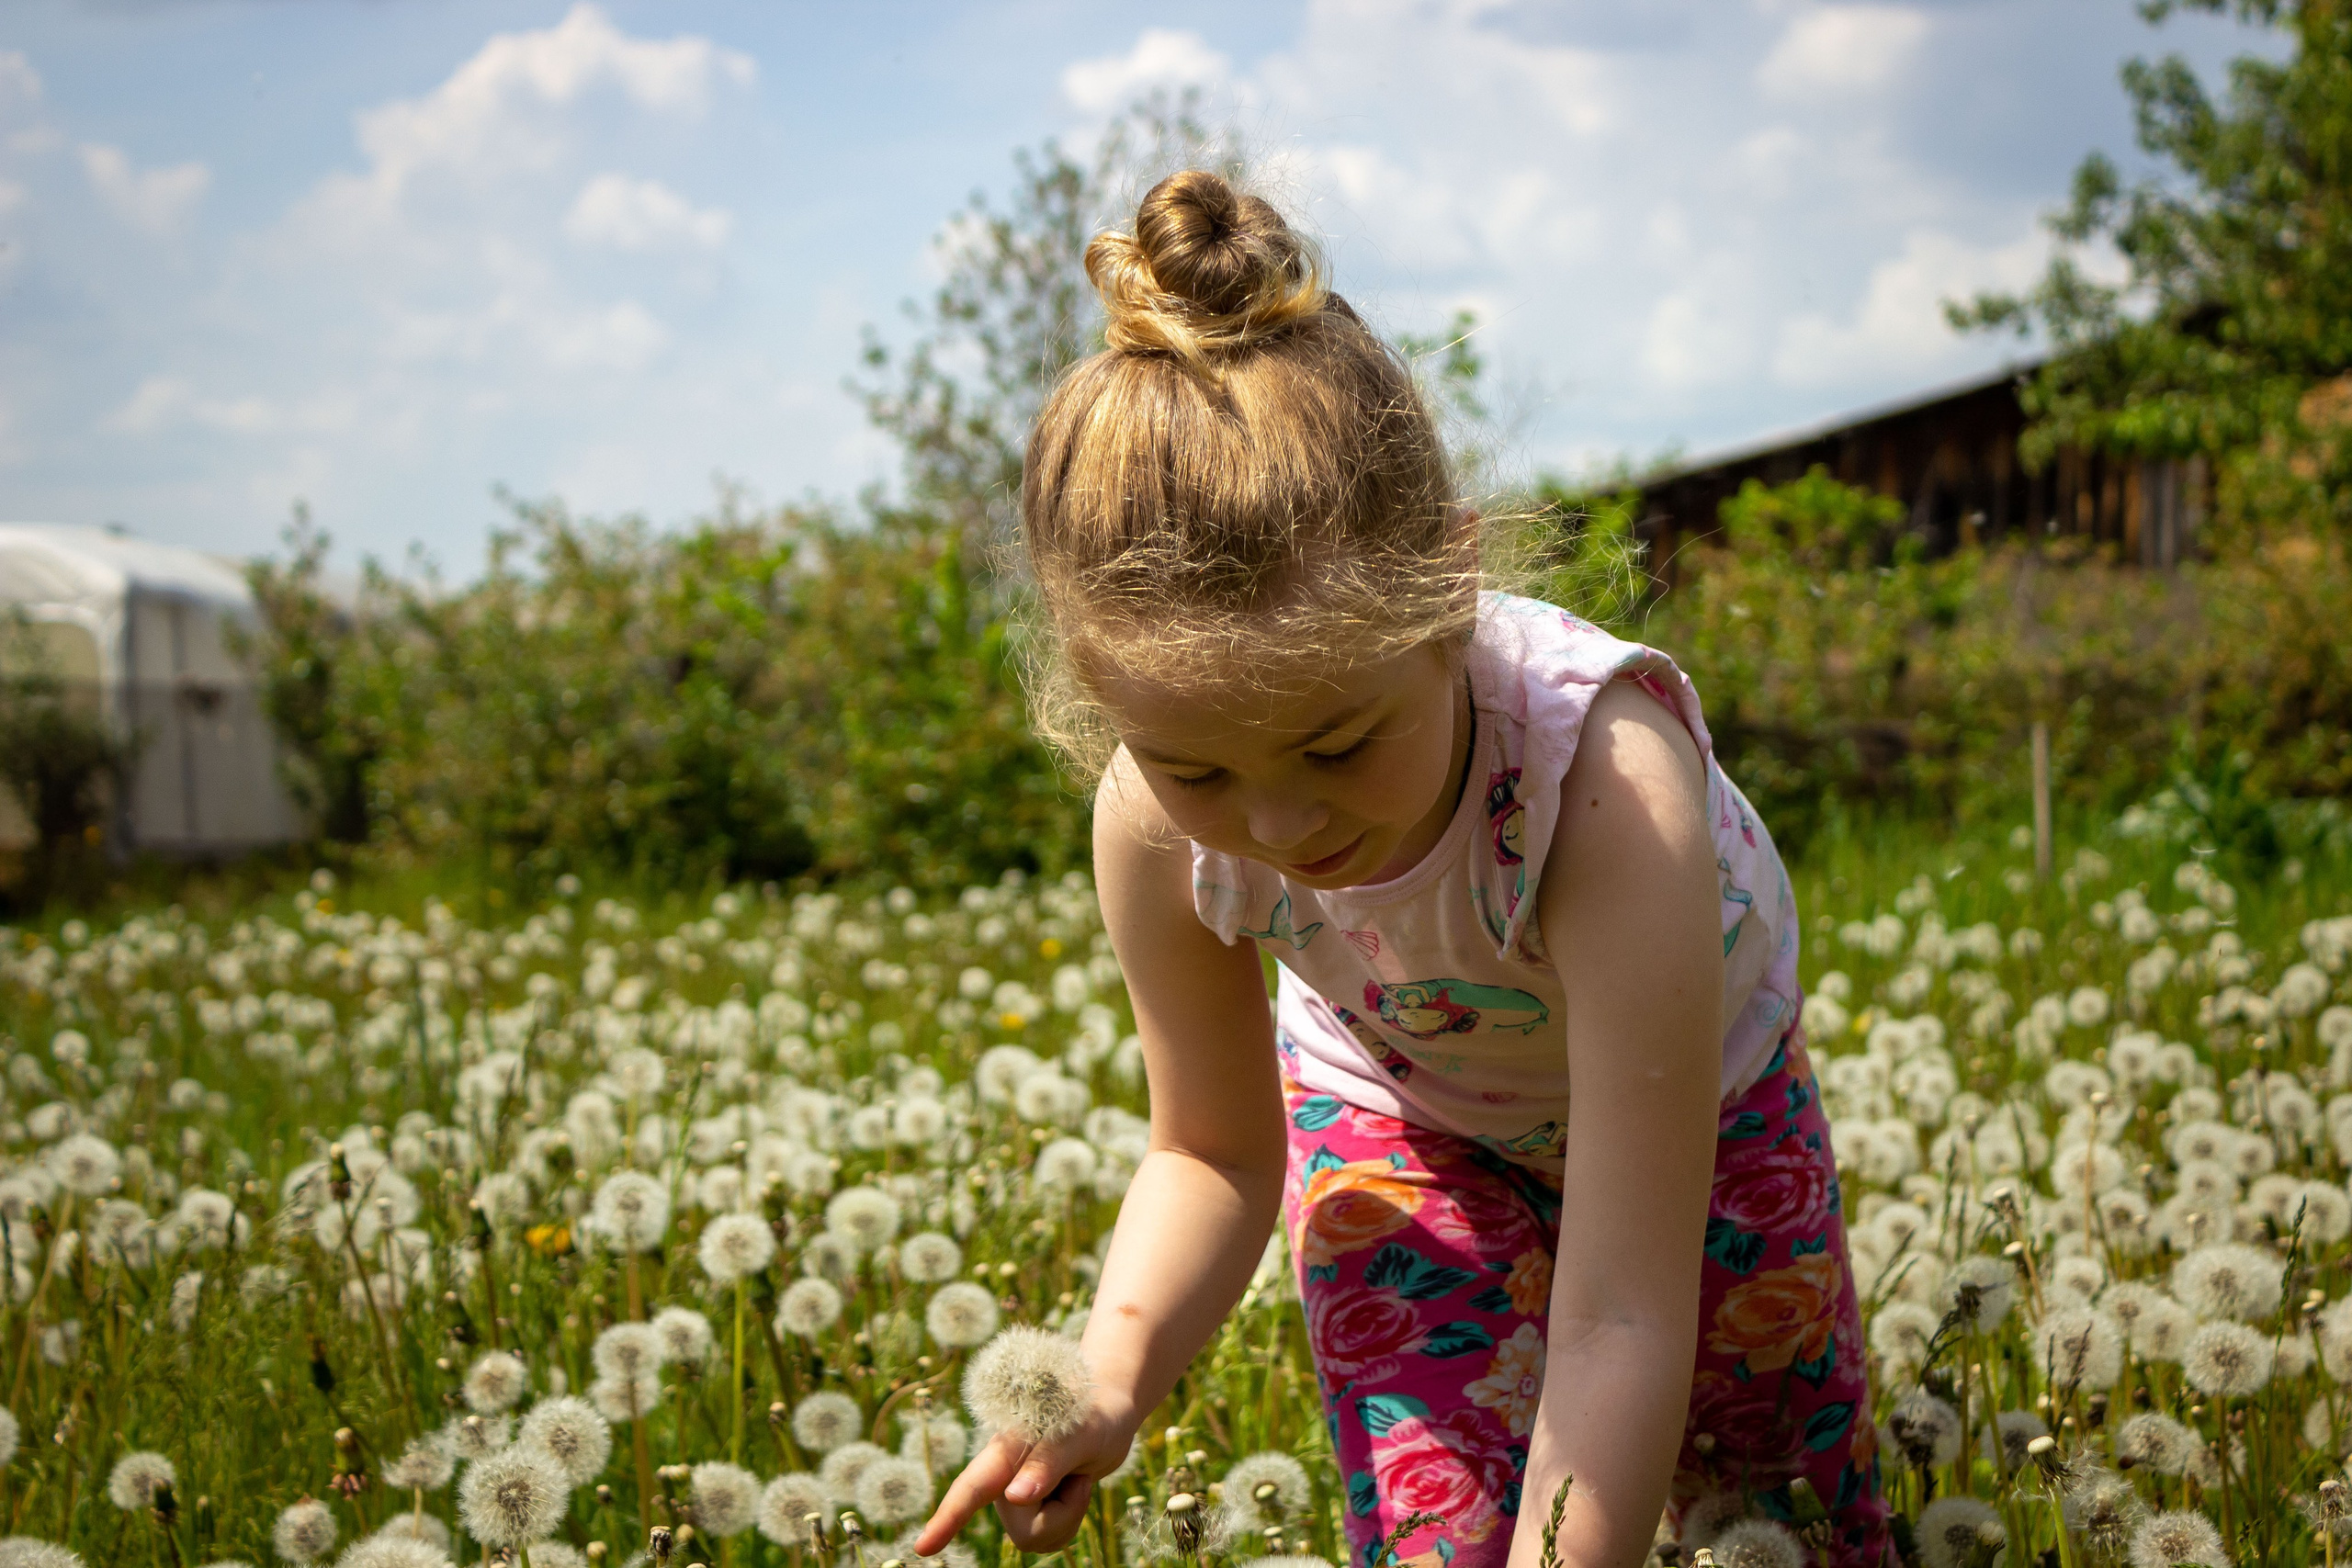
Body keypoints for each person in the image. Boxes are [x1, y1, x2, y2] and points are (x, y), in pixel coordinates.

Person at [912, 169, 1888, 1568]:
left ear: (1451, 584)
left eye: (1337, 742)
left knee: (1781, 1512)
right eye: (1198, 768)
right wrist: (1111, 1375)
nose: (1279, 823)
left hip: (1713, 1113)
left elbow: (1623, 1312)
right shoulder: (1152, 825)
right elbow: (1207, 1147)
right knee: (1440, 1531)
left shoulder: (1608, 791)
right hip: (1409, 1116)